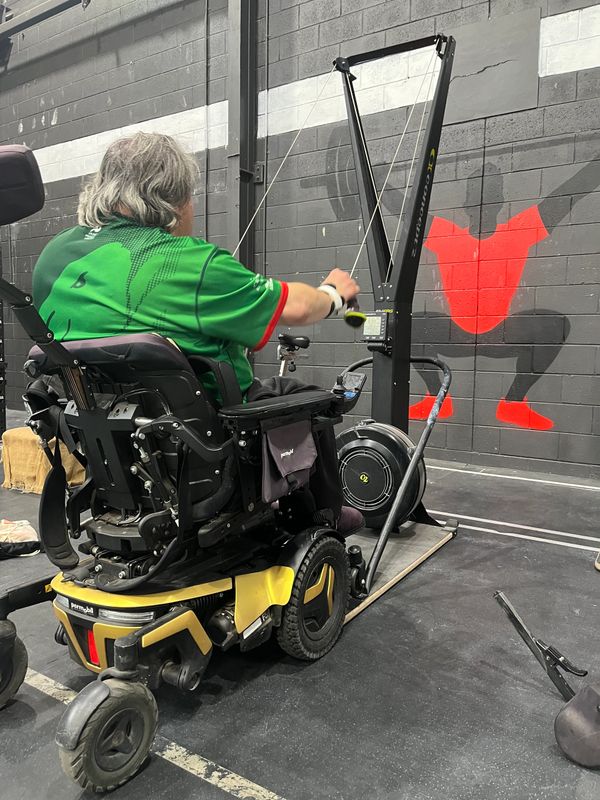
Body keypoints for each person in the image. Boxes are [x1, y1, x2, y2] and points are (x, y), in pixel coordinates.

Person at [32, 132, 363, 533]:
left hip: (108, 443)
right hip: (202, 441)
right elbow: (297, 307)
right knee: (305, 398)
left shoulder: (55, 256)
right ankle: (323, 513)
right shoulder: (186, 263)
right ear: (175, 199)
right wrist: (334, 294)